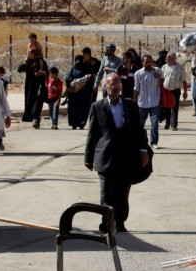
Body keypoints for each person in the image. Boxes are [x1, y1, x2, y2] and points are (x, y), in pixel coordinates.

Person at [85, 72, 150, 233]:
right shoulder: (97, 107)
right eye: (110, 84)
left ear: (121, 86)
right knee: (106, 194)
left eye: (116, 84)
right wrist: (88, 157)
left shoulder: (131, 106)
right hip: (106, 156)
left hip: (126, 157)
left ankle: (120, 222)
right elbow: (92, 134)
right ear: (105, 87)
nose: (113, 87)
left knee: (122, 193)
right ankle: (107, 222)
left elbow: (139, 129)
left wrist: (143, 150)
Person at [134, 54, 164, 148]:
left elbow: (163, 83)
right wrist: (134, 103)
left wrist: (159, 78)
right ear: (142, 63)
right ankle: (138, 142)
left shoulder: (157, 70)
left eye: (150, 62)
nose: (148, 64)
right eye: (146, 62)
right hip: (142, 103)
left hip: (155, 102)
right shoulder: (138, 73)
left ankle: (153, 143)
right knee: (140, 125)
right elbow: (136, 89)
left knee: (154, 124)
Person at [65, 47, 100, 129]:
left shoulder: (91, 64)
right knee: (73, 108)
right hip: (74, 93)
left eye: (84, 54)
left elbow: (92, 76)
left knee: (85, 107)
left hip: (85, 91)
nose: (78, 62)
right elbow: (68, 78)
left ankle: (82, 123)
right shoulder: (73, 69)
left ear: (88, 54)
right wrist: (70, 85)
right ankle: (74, 123)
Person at [18, 47, 49, 128]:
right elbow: (19, 69)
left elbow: (46, 74)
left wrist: (41, 73)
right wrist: (24, 62)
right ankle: (34, 119)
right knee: (29, 103)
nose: (29, 54)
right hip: (29, 86)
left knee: (38, 102)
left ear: (35, 54)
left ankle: (36, 118)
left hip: (39, 86)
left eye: (30, 53)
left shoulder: (41, 62)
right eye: (28, 53)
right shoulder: (28, 62)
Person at [160, 51, 189, 131]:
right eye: (166, 57)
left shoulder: (180, 68)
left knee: (175, 108)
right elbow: (161, 79)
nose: (166, 58)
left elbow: (183, 81)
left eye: (168, 57)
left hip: (175, 90)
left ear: (173, 59)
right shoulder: (164, 67)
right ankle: (167, 122)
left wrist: (185, 92)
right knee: (166, 107)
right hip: (166, 90)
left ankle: (174, 125)